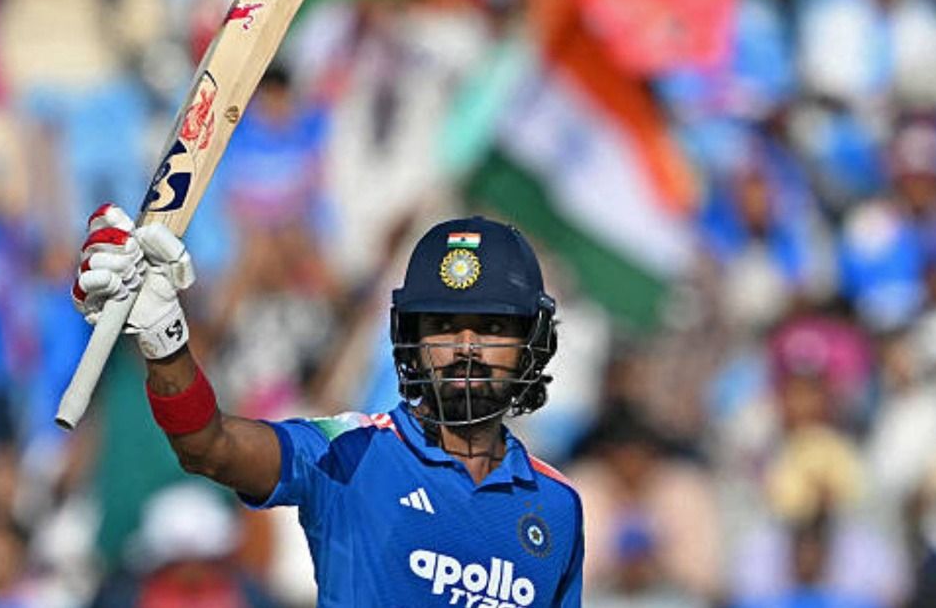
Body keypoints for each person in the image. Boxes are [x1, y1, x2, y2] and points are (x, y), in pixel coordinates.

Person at [72, 205, 584, 606]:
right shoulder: (352, 451)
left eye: (492, 328)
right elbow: (209, 446)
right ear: (412, 340)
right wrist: (164, 339)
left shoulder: (557, 507)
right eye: (444, 326)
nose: (466, 347)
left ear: (531, 345)